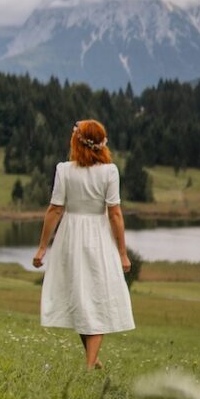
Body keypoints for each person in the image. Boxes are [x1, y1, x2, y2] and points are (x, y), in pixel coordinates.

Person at [32, 119, 135, 370]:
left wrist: (43, 247)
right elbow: (115, 214)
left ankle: (90, 364)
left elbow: (55, 210)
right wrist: (122, 252)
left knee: (84, 295)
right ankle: (92, 360)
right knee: (89, 296)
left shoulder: (65, 170)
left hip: (71, 236)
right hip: (98, 237)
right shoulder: (109, 172)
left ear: (77, 142)